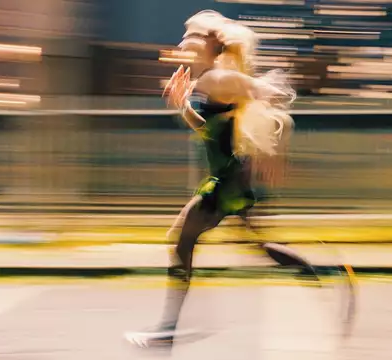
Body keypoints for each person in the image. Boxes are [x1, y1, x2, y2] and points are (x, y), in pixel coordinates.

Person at [125, 10, 320, 348]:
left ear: (211, 44)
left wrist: (276, 151)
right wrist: (183, 106)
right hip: (230, 176)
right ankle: (327, 275)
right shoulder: (210, 79)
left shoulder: (218, 79)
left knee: (181, 241)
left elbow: (271, 94)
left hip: (228, 180)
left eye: (193, 34)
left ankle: (168, 331)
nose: (185, 39)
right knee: (255, 246)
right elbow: (210, 130)